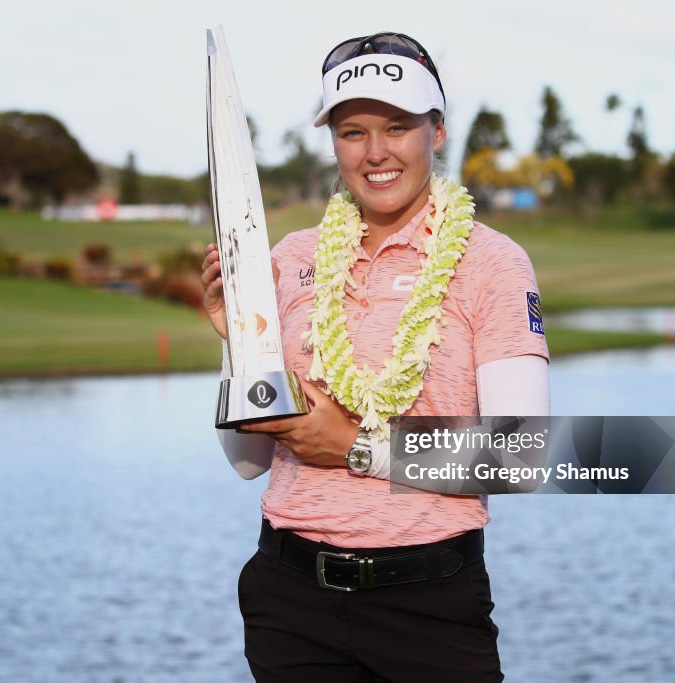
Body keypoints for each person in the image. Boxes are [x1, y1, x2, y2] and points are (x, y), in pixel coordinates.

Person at [201, 32, 549, 682]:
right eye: (353, 130)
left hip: (428, 605)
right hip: (291, 598)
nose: (376, 151)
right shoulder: (289, 259)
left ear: (437, 131)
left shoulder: (493, 262)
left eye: (398, 125)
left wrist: (358, 444)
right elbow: (248, 460)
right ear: (333, 140)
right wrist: (240, 348)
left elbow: (519, 456)